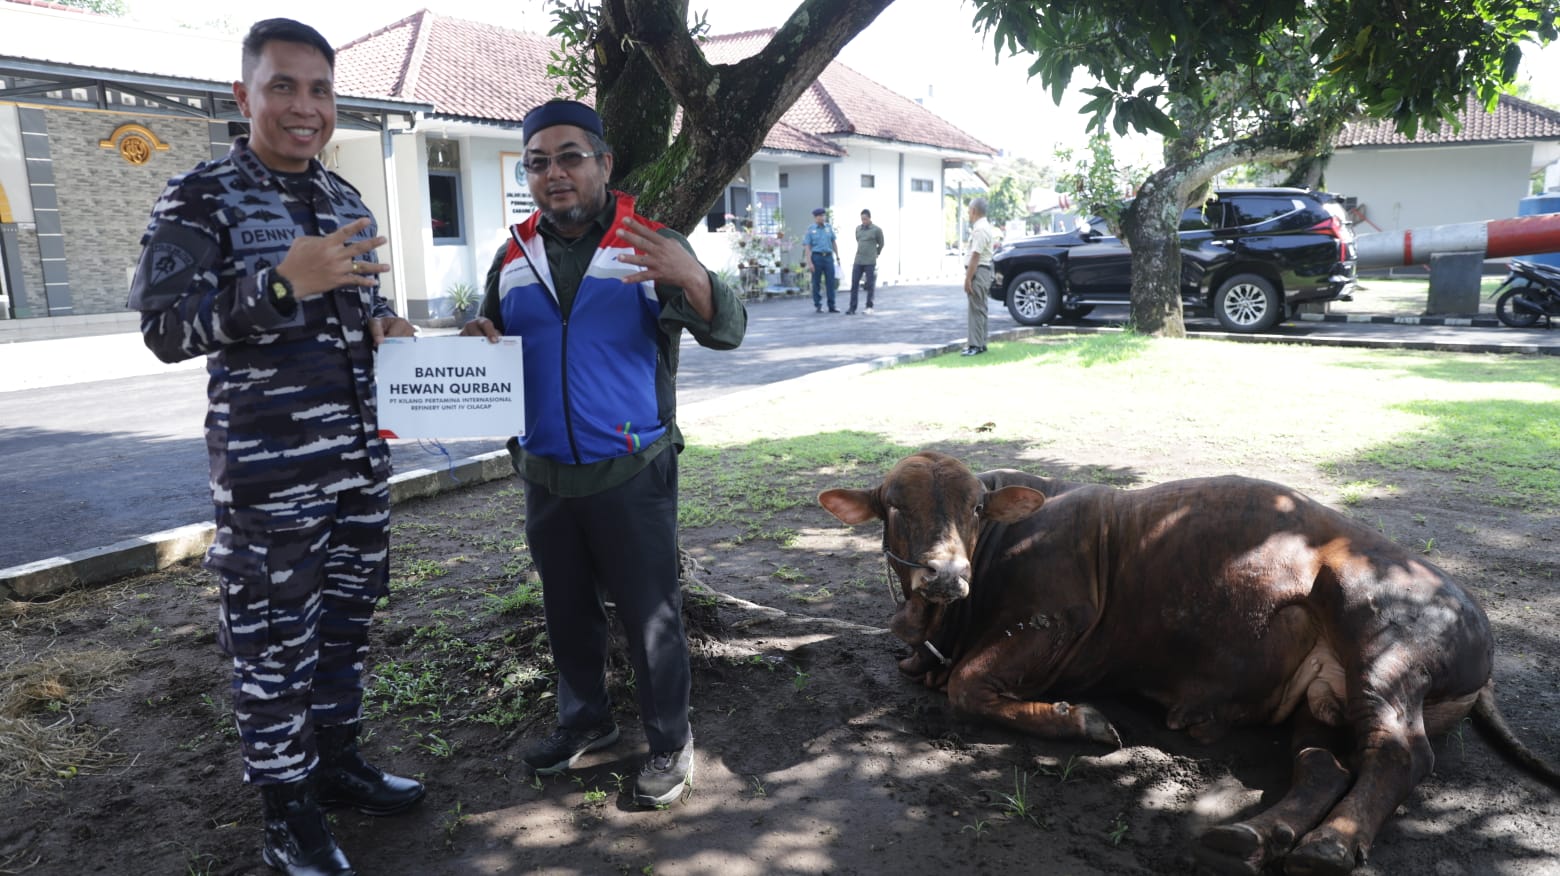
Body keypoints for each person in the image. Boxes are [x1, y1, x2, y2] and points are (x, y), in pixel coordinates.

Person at [128, 18, 424, 876]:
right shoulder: (202, 196)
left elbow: (361, 310)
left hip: (358, 466)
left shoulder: (345, 200)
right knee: (272, 648)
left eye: (320, 90)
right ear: (244, 95)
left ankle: (335, 765)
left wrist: (387, 326)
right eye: (283, 86)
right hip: (270, 480)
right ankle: (287, 814)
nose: (305, 107)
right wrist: (282, 284)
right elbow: (163, 329)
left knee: (343, 628)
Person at [461, 99, 747, 807]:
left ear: (604, 163)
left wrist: (692, 275)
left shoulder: (646, 243)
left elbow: (728, 329)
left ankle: (669, 740)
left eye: (569, 157)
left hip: (632, 468)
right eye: (537, 163)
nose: (553, 173)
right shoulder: (513, 253)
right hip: (546, 472)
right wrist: (476, 337)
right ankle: (585, 721)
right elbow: (489, 335)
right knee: (566, 610)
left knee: (652, 615)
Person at [962, 197, 999, 356]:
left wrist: (968, 279)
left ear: (974, 211)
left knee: (976, 309)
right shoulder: (985, 227)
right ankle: (981, 343)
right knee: (981, 308)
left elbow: (975, 256)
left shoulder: (980, 229)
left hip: (978, 272)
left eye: (969, 211)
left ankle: (975, 345)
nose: (968, 214)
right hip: (983, 271)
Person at [845, 208, 886, 315]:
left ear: (869, 218)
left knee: (869, 285)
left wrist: (876, 253)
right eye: (862, 219)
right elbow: (858, 240)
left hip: (870, 261)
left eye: (865, 219)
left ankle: (869, 306)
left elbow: (881, 243)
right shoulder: (858, 229)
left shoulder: (876, 230)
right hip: (858, 260)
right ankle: (852, 307)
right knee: (854, 284)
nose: (864, 221)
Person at [802, 206, 841, 313]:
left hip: (828, 257)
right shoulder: (811, 229)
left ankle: (832, 305)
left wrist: (837, 256)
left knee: (831, 282)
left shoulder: (829, 227)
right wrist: (809, 262)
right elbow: (807, 247)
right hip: (817, 257)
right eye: (820, 216)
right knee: (816, 282)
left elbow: (833, 242)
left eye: (823, 215)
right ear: (815, 218)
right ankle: (818, 305)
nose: (822, 218)